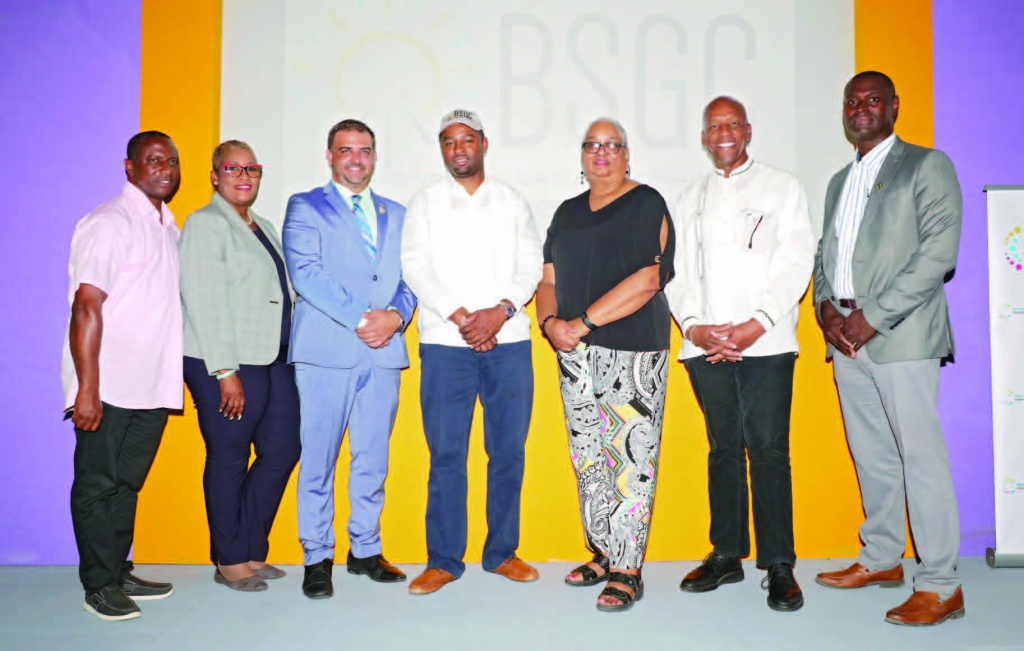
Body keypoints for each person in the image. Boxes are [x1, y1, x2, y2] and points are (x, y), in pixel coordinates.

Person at [812, 71, 964, 626]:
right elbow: (825, 254)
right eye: (852, 100)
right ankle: (881, 558)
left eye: (873, 99)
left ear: (894, 106)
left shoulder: (926, 165)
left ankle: (942, 584)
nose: (861, 108)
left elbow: (938, 254)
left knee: (920, 457)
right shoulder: (837, 181)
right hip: (845, 338)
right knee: (872, 454)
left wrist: (870, 318)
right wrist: (827, 308)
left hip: (900, 335)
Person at [664, 97, 815, 612]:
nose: (723, 133)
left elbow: (796, 261)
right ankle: (726, 553)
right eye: (713, 127)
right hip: (704, 343)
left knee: (769, 449)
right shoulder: (689, 197)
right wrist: (695, 327)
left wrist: (756, 325)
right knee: (723, 447)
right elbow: (675, 270)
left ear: (748, 131)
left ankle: (779, 564)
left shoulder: (783, 187)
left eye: (732, 124)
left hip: (766, 342)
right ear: (704, 138)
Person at [401, 109, 543, 595]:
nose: (458, 148)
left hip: (509, 342)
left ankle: (501, 552)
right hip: (446, 345)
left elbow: (530, 266)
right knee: (446, 455)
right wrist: (463, 318)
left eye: (466, 139)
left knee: (507, 452)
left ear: (484, 143)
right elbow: (416, 267)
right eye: (448, 141)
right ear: (441, 149)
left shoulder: (511, 201)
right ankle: (443, 559)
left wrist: (499, 312)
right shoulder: (424, 202)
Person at [537, 118, 674, 612]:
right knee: (589, 457)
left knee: (631, 462)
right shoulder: (567, 212)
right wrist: (551, 322)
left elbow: (648, 279)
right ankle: (603, 551)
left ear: (626, 154)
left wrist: (582, 324)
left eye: (612, 145)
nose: (601, 153)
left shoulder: (646, 202)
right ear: (582, 155)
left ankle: (628, 568)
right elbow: (548, 278)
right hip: (574, 353)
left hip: (633, 352)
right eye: (592, 145)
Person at [283, 119, 416, 599]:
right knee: (318, 459)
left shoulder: (397, 213)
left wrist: (396, 318)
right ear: (330, 155)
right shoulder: (304, 206)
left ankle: (365, 550)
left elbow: (410, 278)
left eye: (364, 150)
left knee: (371, 461)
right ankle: (317, 557)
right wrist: (365, 320)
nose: (356, 158)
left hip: (383, 356)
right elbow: (306, 273)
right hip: (326, 352)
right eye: (346, 150)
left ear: (374, 156)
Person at [62, 131, 182, 621]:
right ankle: (98, 584)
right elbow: (86, 306)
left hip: (151, 383)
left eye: (172, 161)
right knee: (96, 484)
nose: (166, 168)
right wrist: (87, 388)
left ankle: (117, 569)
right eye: (154, 160)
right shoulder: (109, 223)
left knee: (125, 485)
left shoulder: (167, 227)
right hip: (108, 384)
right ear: (129, 167)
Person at [179, 140, 301, 592]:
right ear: (215, 175)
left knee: (283, 450)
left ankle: (250, 547)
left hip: (273, 357)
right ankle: (229, 559)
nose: (244, 175)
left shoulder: (263, 225)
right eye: (233, 167)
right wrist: (224, 371)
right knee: (230, 457)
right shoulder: (206, 224)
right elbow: (204, 300)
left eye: (252, 168)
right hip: (226, 361)